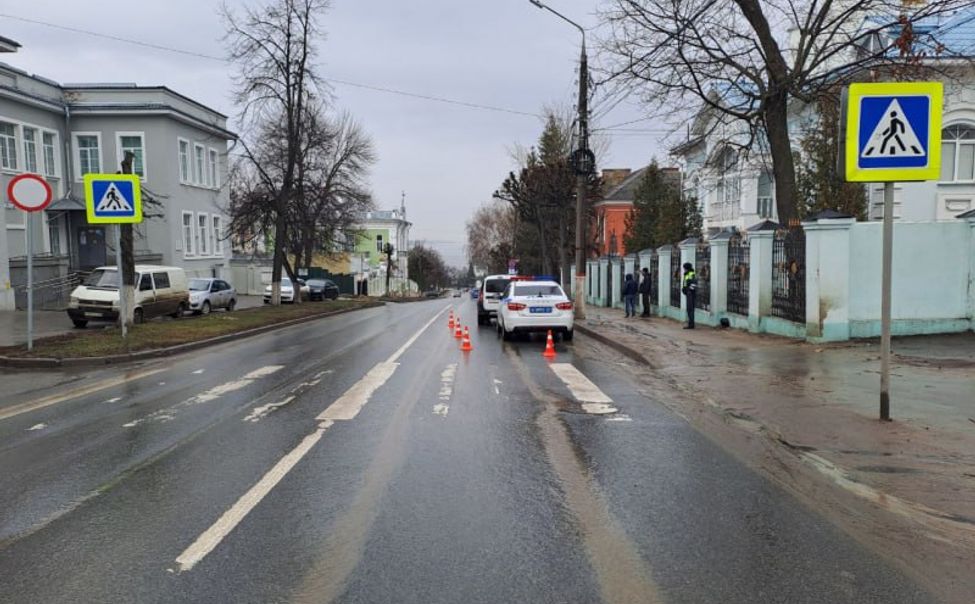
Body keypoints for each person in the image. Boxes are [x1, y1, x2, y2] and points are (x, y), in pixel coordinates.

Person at [681, 262, 697, 329]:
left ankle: (691, 324)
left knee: (690, 309)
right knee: (689, 309)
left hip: (690, 294)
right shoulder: (687, 274)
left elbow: (694, 284)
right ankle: (690, 323)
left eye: (684, 268)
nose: (684, 269)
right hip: (688, 293)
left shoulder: (691, 274)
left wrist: (689, 291)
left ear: (687, 268)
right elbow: (686, 283)